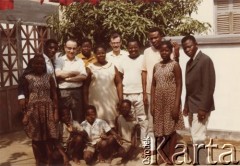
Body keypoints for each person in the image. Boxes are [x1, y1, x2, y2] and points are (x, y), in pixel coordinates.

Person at [20, 54, 70, 166]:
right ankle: (38, 160)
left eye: (41, 64)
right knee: (35, 138)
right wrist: (26, 115)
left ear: (44, 65)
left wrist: (56, 111)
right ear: (32, 64)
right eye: (37, 63)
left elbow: (54, 95)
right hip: (33, 110)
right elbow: (26, 98)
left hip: (48, 109)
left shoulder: (49, 77)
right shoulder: (27, 78)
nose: (39, 66)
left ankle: (49, 160)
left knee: (49, 136)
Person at [142, 27, 180, 162]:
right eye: (151, 38)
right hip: (155, 97)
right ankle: (156, 153)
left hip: (169, 98)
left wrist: (176, 104)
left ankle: (169, 155)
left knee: (170, 127)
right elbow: (148, 77)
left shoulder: (172, 58)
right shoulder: (151, 58)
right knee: (155, 127)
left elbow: (178, 80)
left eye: (156, 37)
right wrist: (148, 98)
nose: (154, 40)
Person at [181, 35, 215, 165]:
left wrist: (203, 108)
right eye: (185, 48)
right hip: (192, 106)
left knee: (198, 137)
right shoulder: (189, 62)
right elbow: (189, 88)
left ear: (196, 44)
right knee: (195, 136)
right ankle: (199, 161)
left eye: (189, 46)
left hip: (201, 107)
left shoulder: (205, 60)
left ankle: (201, 162)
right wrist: (186, 105)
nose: (187, 49)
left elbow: (209, 86)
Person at [151, 41, 185, 165]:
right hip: (159, 102)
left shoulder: (175, 65)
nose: (164, 52)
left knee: (171, 130)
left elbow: (179, 84)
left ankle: (171, 156)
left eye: (166, 50)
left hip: (171, 101)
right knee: (160, 130)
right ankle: (162, 155)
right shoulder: (156, 66)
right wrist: (152, 104)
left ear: (170, 51)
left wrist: (176, 105)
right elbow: (153, 85)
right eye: (162, 50)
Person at [83, 44, 123, 128]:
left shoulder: (112, 66)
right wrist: (86, 103)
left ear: (106, 53)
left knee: (113, 125)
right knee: (98, 125)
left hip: (111, 101)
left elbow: (119, 83)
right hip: (95, 101)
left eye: (103, 53)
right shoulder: (90, 67)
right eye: (98, 53)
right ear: (94, 54)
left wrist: (121, 99)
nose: (101, 55)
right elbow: (85, 86)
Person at [118, 38, 148, 148]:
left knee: (143, 120)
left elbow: (145, 77)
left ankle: (145, 146)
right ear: (127, 49)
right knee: (129, 120)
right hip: (127, 94)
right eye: (130, 48)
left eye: (135, 47)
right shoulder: (123, 60)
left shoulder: (143, 59)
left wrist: (144, 94)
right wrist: (121, 97)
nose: (133, 49)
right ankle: (130, 144)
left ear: (139, 47)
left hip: (140, 93)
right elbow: (119, 80)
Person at [18, 38, 58, 111]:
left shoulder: (51, 61)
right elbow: (23, 78)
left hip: (50, 95)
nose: (53, 50)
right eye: (51, 48)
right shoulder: (37, 61)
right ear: (45, 47)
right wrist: (21, 96)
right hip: (38, 97)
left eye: (55, 49)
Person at [55, 38, 87, 123]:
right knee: (64, 117)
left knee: (78, 117)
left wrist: (67, 79)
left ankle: (78, 135)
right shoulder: (59, 60)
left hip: (77, 92)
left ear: (77, 49)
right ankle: (65, 136)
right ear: (65, 48)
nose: (71, 51)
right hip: (63, 92)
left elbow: (83, 76)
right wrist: (75, 73)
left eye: (74, 48)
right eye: (69, 48)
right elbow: (58, 74)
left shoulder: (80, 61)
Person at [115, 99, 140, 164]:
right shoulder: (118, 118)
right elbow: (116, 130)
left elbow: (135, 136)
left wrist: (133, 144)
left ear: (130, 108)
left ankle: (126, 157)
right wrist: (118, 137)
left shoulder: (134, 121)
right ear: (120, 108)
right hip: (120, 141)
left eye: (126, 107)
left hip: (128, 142)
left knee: (122, 152)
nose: (124, 109)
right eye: (123, 107)